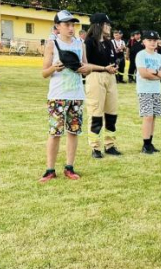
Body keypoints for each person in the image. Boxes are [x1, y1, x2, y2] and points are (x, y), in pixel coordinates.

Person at [38, 10, 92, 183]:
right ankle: (50, 170)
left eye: (73, 24)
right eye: (67, 24)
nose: (71, 28)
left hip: (76, 95)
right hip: (58, 96)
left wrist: (86, 69)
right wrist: (55, 68)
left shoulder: (80, 43)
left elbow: (85, 66)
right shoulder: (52, 44)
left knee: (73, 132)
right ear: (57, 27)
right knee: (55, 133)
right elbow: (44, 73)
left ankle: (69, 167)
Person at [84, 13, 121, 159]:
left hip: (110, 77)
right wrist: (104, 68)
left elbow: (110, 60)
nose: (110, 27)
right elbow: (86, 65)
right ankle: (96, 147)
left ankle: (110, 145)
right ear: (99, 25)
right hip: (95, 77)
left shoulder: (109, 42)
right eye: (108, 24)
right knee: (96, 112)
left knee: (111, 113)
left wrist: (113, 67)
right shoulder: (89, 42)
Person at [135, 30, 161, 154]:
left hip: (156, 90)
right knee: (148, 116)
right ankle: (145, 144)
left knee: (154, 117)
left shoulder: (159, 57)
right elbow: (144, 74)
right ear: (144, 41)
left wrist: (155, 72)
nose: (153, 43)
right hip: (145, 90)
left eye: (155, 40)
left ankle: (150, 142)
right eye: (149, 40)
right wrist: (160, 75)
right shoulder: (141, 55)